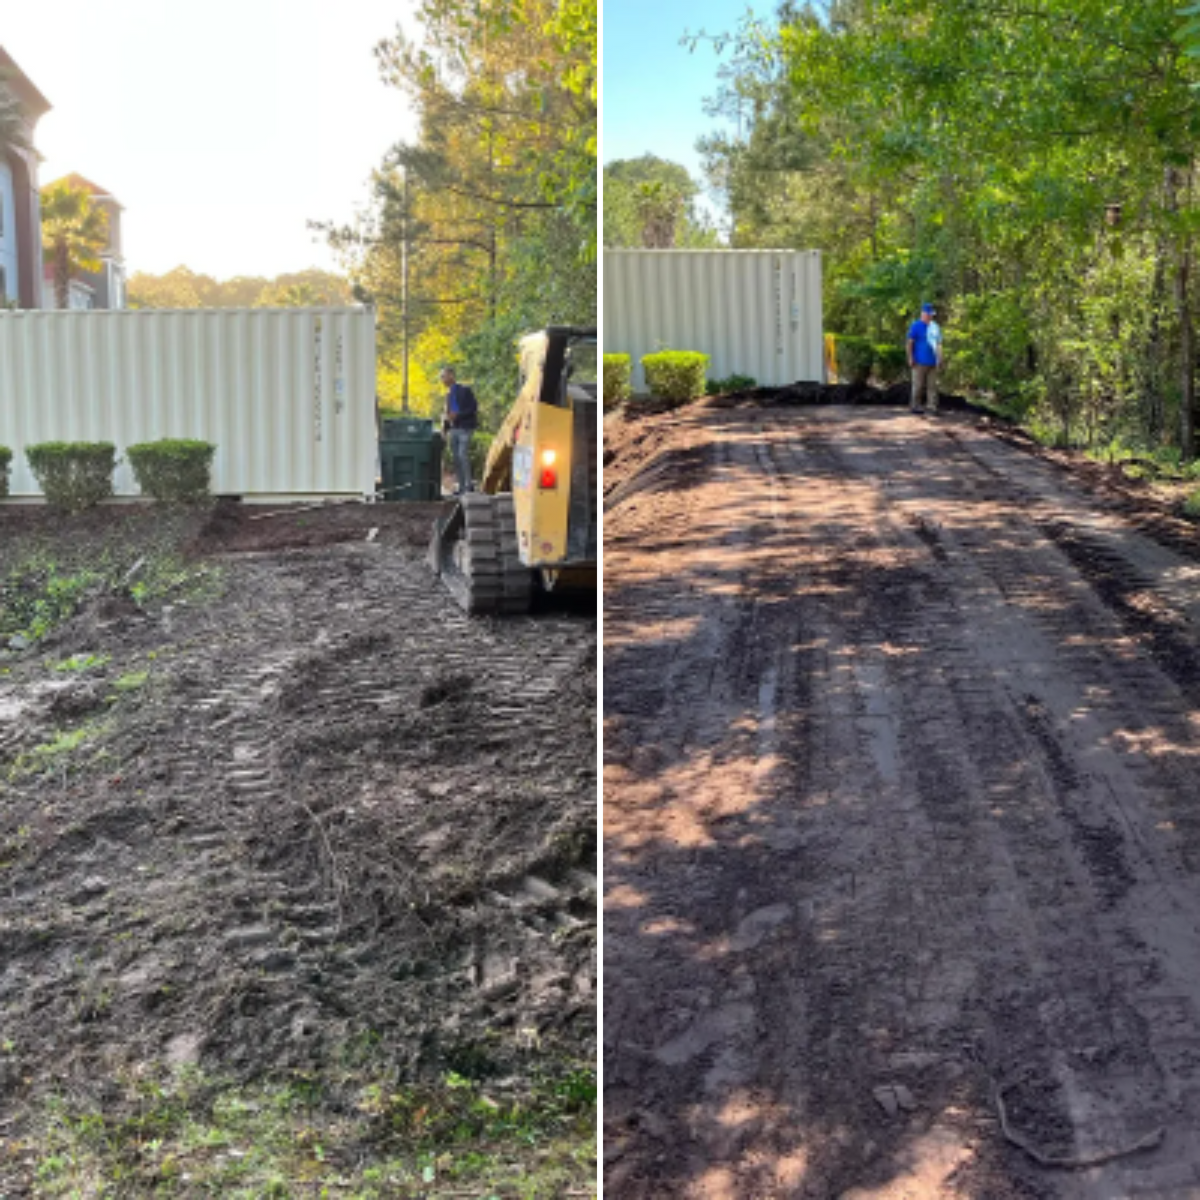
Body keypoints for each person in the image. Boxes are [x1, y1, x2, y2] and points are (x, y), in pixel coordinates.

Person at [441, 367, 478, 495]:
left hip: (465, 428)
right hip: (453, 429)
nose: (442, 379)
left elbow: (473, 408)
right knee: (456, 458)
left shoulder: (465, 390)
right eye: (441, 377)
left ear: (451, 375)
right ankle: (461, 487)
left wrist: (459, 415)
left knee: (463, 454)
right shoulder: (447, 396)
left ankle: (469, 485)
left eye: (444, 376)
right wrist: (444, 431)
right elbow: (447, 415)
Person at [907, 303, 943, 415]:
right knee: (918, 386)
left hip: (932, 361)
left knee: (932, 386)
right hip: (919, 361)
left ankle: (932, 407)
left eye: (931, 315)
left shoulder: (935, 327)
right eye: (928, 314)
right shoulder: (915, 326)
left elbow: (938, 344)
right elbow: (909, 343)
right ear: (923, 314)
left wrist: (940, 358)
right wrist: (910, 357)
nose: (930, 317)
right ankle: (915, 406)